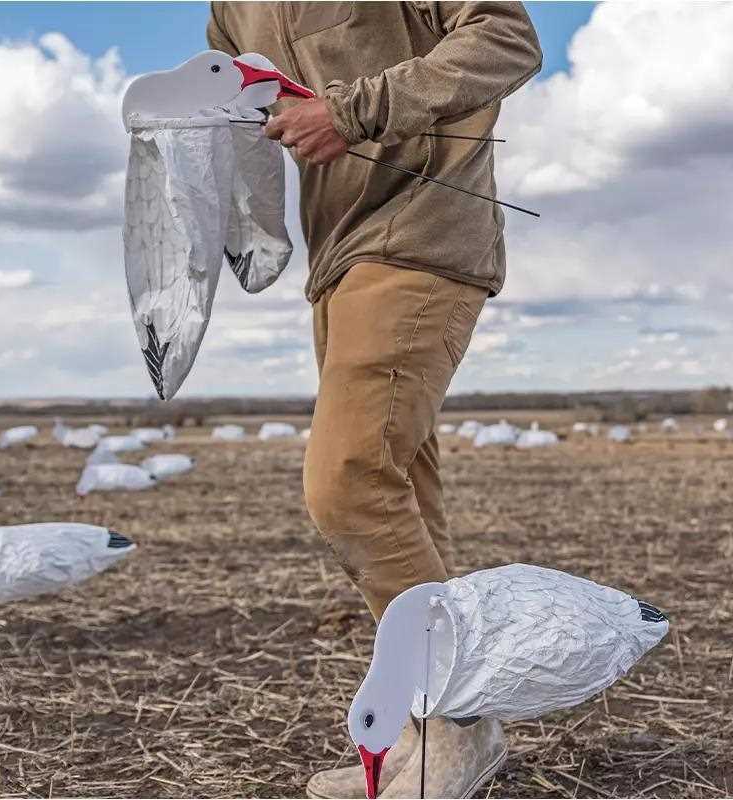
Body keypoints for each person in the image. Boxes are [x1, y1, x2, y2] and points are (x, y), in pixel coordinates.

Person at [207, 4, 542, 798]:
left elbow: (507, 39)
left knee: (349, 481)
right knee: (402, 499)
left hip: (423, 236)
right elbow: (228, 112)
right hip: (335, 260)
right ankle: (436, 727)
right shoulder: (229, 9)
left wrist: (353, 113)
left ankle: (460, 724)